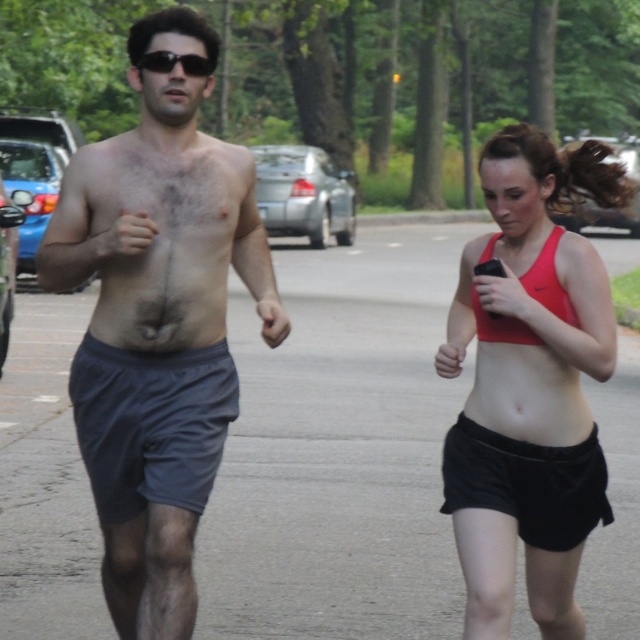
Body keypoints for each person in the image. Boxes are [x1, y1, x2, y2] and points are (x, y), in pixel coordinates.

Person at [36, 6, 291, 640]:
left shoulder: (235, 164)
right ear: (136, 76)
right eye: (162, 61)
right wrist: (101, 246)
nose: (177, 73)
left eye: (193, 65)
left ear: (209, 82)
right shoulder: (96, 164)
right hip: (109, 374)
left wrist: (268, 294)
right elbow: (48, 270)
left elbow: (249, 229)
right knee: (126, 558)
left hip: (196, 377)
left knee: (170, 546)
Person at [434, 122, 634, 640]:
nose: (501, 209)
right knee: (489, 601)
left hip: (562, 464)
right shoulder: (479, 252)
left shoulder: (574, 256)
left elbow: (604, 360)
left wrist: (527, 308)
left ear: (546, 187)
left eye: (515, 195)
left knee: (550, 612)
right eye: (490, 196)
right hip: (481, 449)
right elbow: (463, 303)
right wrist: (458, 341)